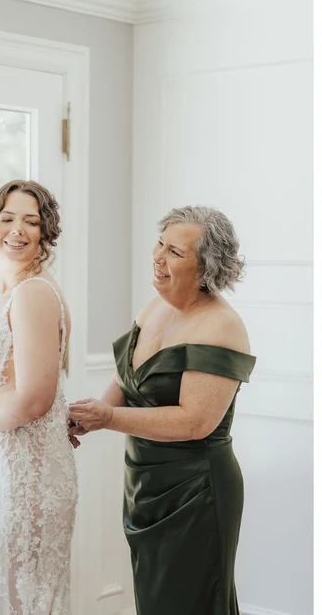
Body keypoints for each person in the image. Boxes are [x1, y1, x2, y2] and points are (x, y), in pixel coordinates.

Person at [68, 205, 256, 615]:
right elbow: (126, 376)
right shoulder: (155, 306)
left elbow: (194, 421)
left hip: (196, 491)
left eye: (174, 252)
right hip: (145, 484)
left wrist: (110, 419)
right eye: (159, 243)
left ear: (206, 268)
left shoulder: (220, 327)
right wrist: (96, 411)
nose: (158, 256)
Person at [0, 179, 78, 615]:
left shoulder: (34, 293)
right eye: (7, 218)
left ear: (46, 232)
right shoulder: (11, 295)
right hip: (3, 477)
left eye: (32, 221)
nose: (17, 230)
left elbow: (32, 400)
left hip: (28, 483)